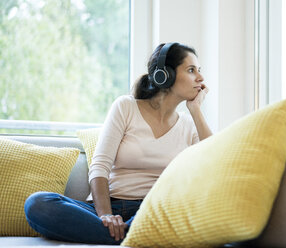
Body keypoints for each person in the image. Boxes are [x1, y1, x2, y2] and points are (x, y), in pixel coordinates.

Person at [24, 42, 212, 244]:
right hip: (111, 206)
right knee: (37, 204)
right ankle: (135, 237)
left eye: (199, 71)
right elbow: (99, 166)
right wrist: (105, 215)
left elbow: (215, 167)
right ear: (165, 74)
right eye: (191, 70)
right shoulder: (126, 107)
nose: (200, 78)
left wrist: (196, 111)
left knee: (196, 209)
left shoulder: (189, 124)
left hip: (156, 209)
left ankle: (125, 236)